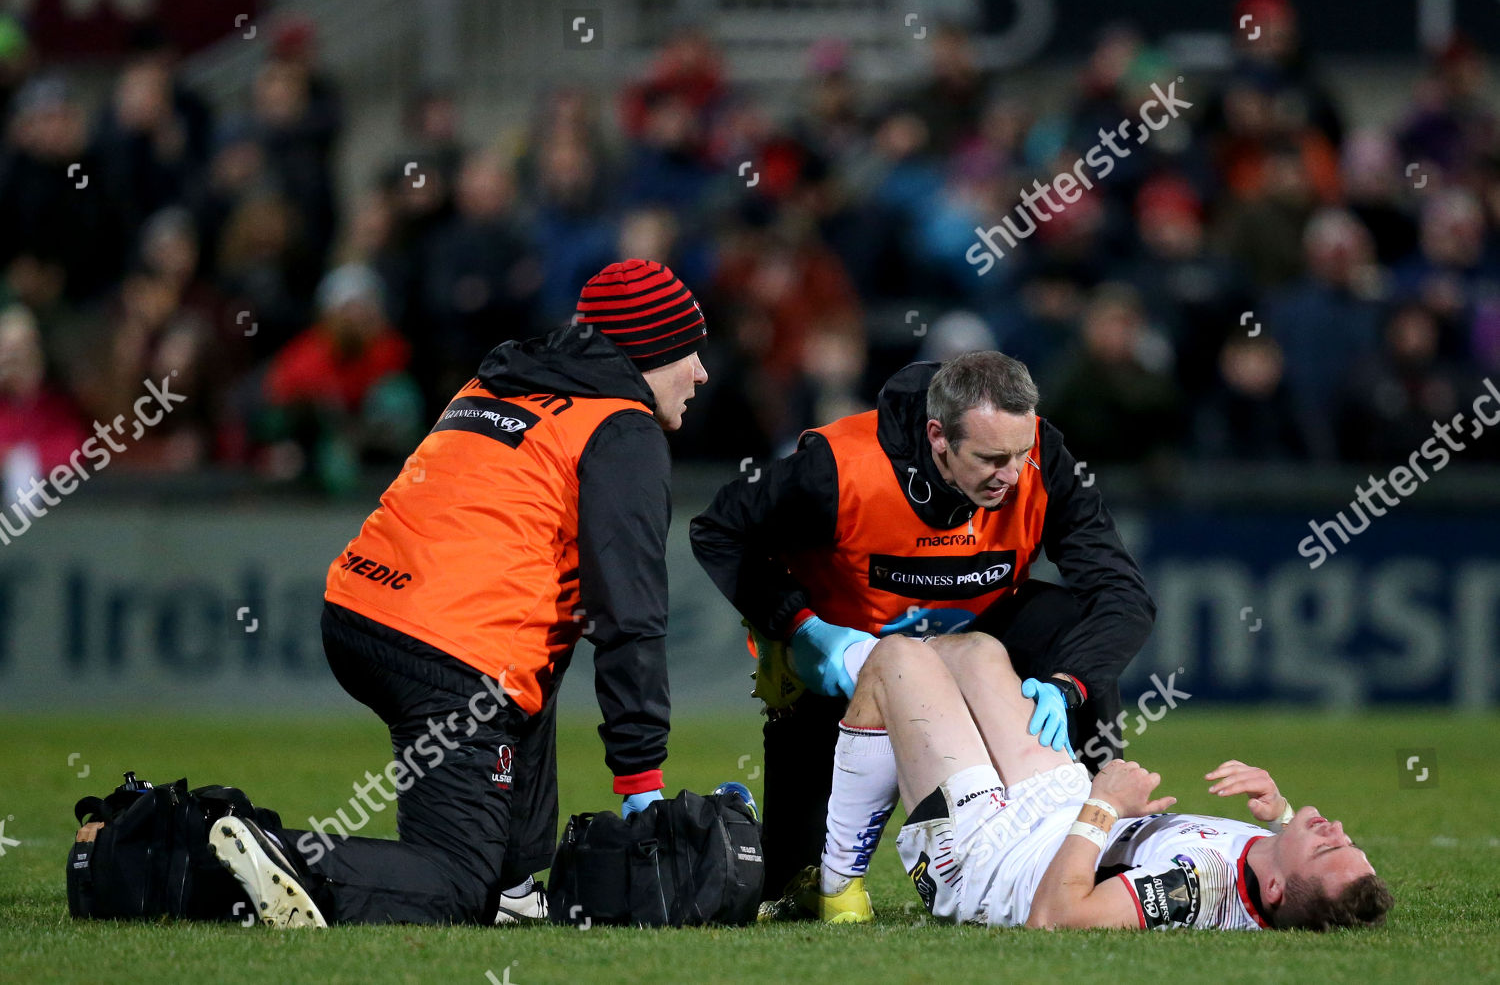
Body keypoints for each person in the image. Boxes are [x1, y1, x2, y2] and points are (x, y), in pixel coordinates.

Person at [208, 259, 709, 927]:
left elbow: (547, 619)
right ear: (647, 352)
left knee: (530, 647)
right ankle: (287, 858)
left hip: (360, 610)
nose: (701, 371)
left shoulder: (501, 379)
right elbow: (629, 614)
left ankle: (512, 884)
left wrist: (522, 865)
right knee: (452, 885)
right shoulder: (622, 426)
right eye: (687, 351)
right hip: (448, 650)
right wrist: (642, 785)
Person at [689, 350, 1154, 907]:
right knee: (794, 888)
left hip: (988, 658)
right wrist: (801, 626)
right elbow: (718, 531)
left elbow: (1123, 594)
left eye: (1020, 455)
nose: (1011, 476)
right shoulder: (837, 468)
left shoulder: (1042, 458)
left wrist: (1068, 683)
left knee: (1069, 624)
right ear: (938, 437)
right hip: (850, 673)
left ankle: (1106, 841)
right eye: (990, 458)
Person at [780, 629, 1393, 931]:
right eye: (1348, 838)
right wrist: (1284, 817)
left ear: (1278, 889)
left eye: (1328, 845)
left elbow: (1056, 914)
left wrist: (1103, 805)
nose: (1336, 828)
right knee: (976, 653)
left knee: (899, 662)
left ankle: (836, 886)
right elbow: (1298, 859)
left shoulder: (1194, 891)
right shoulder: (1271, 861)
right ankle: (853, 667)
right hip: (1052, 808)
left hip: (988, 857)